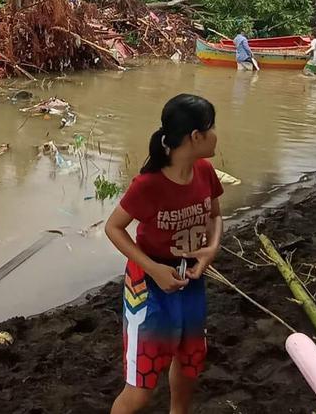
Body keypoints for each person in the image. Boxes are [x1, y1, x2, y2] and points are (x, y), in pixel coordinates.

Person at [105, 94, 223, 414]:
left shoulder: (205, 172)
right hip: (149, 287)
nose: (216, 135)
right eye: (211, 128)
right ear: (195, 137)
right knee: (140, 389)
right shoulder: (148, 185)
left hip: (190, 280)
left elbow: (215, 215)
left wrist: (211, 249)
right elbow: (113, 228)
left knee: (188, 366)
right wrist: (155, 269)